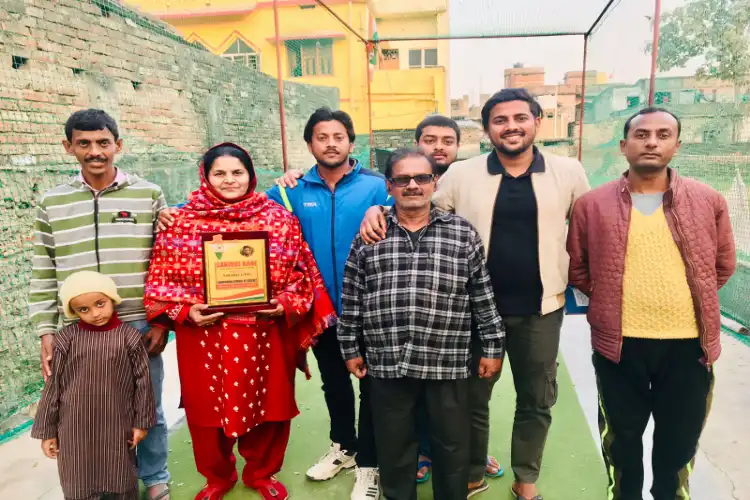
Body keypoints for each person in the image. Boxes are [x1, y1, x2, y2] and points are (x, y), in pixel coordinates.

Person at [360, 89, 590, 500]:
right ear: (486, 130)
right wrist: (375, 209)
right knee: (467, 402)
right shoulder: (462, 175)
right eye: (500, 120)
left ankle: (526, 476)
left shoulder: (568, 172)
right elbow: (415, 205)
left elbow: (587, 229)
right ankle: (470, 471)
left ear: (538, 121)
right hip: (469, 313)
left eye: (521, 117)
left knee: (536, 399)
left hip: (541, 309)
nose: (511, 126)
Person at [156, 109, 388, 500]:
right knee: (334, 384)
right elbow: (168, 269)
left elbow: (298, 269)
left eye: (338, 136)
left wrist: (285, 303)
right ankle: (343, 447)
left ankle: (369, 462)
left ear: (352, 141)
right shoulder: (285, 194)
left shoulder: (375, 188)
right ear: (309, 143)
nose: (330, 143)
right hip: (295, 319)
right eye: (321, 136)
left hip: (368, 307)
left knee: (372, 388)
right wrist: (165, 213)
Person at [144, 142, 336, 500]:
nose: (229, 180)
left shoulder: (279, 219)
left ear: (251, 176)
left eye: (237, 173)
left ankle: (261, 474)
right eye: (220, 173)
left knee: (271, 407)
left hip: (264, 332)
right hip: (203, 337)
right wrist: (186, 312)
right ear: (206, 176)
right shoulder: (180, 222)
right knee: (206, 412)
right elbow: (159, 284)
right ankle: (217, 478)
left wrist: (282, 305)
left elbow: (301, 276)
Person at [567, 108, 736, 500]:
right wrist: (612, 301)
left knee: (677, 446)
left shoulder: (708, 201)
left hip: (689, 348)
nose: (652, 142)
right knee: (623, 443)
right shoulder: (592, 205)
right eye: (642, 135)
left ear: (677, 145)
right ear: (624, 146)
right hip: (619, 347)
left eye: (663, 134)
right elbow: (579, 268)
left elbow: (722, 265)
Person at [339, 148, 505, 500]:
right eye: (402, 179)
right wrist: (350, 347)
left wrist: (492, 346)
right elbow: (352, 294)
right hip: (388, 360)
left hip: (447, 359)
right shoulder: (371, 235)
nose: (412, 185)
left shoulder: (461, 234)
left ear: (435, 182)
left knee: (451, 444)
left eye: (421, 178)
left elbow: (482, 295)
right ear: (389, 185)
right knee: (395, 446)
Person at [29, 109, 171, 500]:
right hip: (76, 334)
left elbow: (166, 263)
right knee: (85, 415)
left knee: (149, 408)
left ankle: (155, 474)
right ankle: (98, 481)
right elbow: (43, 269)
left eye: (103, 143)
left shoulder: (148, 194)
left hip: (137, 326)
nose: (95, 152)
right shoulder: (52, 203)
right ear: (68, 147)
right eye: (84, 143)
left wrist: (161, 321)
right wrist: (46, 330)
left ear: (118, 145)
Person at [31, 271, 156, 500]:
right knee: (77, 477)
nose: (95, 314)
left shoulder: (129, 337)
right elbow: (53, 387)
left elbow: (144, 384)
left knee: (122, 474)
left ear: (112, 299)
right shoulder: (65, 339)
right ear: (74, 311)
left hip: (117, 422)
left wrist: (142, 423)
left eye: (100, 304)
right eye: (84, 310)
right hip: (73, 426)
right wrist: (47, 431)